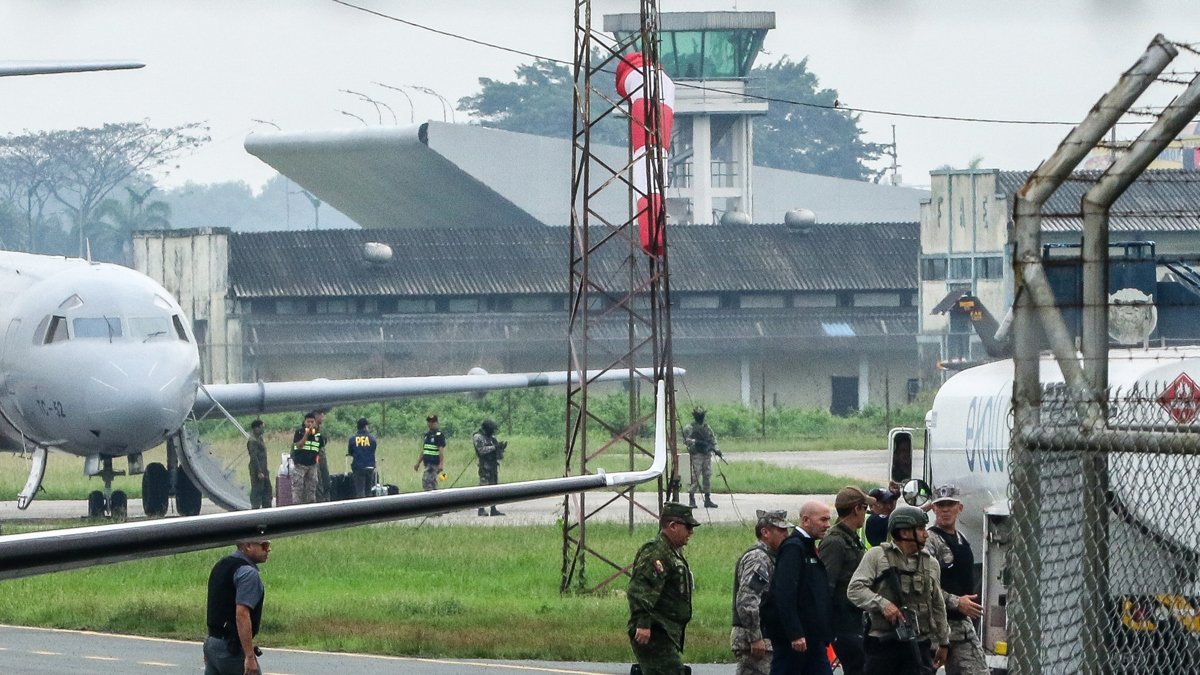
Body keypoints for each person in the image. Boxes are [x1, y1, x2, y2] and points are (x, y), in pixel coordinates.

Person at [847, 505, 949, 675]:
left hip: (918, 646)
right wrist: (882, 604)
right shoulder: (877, 556)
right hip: (883, 646)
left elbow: (937, 604)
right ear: (904, 532)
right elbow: (855, 590)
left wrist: (944, 642)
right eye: (920, 529)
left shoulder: (931, 563)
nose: (926, 534)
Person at [763, 500, 834, 675]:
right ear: (806, 520)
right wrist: (794, 633)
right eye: (823, 520)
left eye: (828, 520)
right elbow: (785, 593)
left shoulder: (808, 547)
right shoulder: (793, 548)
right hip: (795, 641)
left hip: (813, 638)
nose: (828, 525)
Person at [627, 501, 699, 675]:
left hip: (666, 631)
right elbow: (639, 589)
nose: (691, 532)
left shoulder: (671, 551)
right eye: (688, 527)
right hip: (654, 630)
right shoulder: (656, 551)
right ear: (673, 526)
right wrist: (643, 624)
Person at [925, 485, 988, 675]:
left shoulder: (962, 539)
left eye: (950, 505)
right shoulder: (930, 540)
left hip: (961, 625)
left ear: (959, 508)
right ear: (933, 509)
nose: (945, 510)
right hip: (934, 626)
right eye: (941, 505)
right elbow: (924, 586)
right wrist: (956, 602)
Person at [819, 487, 876, 675]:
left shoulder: (850, 538)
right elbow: (825, 585)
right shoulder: (835, 542)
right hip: (842, 623)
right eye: (865, 508)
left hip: (855, 619)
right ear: (856, 509)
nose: (866, 514)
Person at [732, 509, 793, 675]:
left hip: (765, 637)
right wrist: (755, 637)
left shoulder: (771, 556)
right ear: (765, 532)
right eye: (781, 530)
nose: (786, 534)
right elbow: (747, 600)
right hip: (756, 641)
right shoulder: (758, 558)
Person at [204, 539, 270, 675]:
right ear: (248, 546)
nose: (268, 549)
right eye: (264, 545)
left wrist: (209, 647)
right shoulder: (248, 573)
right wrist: (250, 657)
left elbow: (215, 607)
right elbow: (242, 615)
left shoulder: (221, 565)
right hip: (231, 648)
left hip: (213, 643)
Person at [682, 407, 722, 509]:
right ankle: (692, 499)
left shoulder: (706, 427)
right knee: (695, 477)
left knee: (707, 476)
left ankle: (707, 499)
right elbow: (686, 440)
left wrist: (716, 449)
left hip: (706, 454)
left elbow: (713, 439)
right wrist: (696, 442)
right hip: (697, 454)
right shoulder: (689, 427)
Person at [472, 418, 508, 516]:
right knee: (483, 488)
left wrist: (500, 448)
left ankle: (493, 508)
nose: (492, 432)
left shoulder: (491, 437)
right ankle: (481, 509)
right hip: (485, 465)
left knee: (494, 487)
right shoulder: (478, 437)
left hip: (493, 465)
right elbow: (481, 450)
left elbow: (496, 451)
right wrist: (494, 447)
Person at [290, 413, 322, 504]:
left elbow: (319, 450)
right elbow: (299, 445)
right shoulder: (299, 432)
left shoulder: (318, 435)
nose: (310, 424)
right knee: (298, 488)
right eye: (308, 422)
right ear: (304, 422)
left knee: (312, 488)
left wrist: (317, 461)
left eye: (312, 422)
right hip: (300, 464)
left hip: (312, 465)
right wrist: (307, 434)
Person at [413, 414, 445, 491]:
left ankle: (430, 499)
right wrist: (418, 463)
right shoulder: (427, 435)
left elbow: (441, 451)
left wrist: (441, 464)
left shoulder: (439, 435)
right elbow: (424, 450)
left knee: (427, 481)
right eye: (429, 422)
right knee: (432, 483)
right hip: (427, 463)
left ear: (436, 423)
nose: (430, 424)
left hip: (433, 463)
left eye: (433, 422)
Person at [347, 417, 378, 499]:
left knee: (360, 492)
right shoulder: (372, 438)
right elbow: (373, 449)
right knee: (369, 492)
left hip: (358, 468)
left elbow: (350, 452)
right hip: (370, 467)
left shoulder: (353, 439)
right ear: (365, 426)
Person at [246, 420, 271, 509]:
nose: (262, 429)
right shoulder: (253, 440)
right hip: (257, 470)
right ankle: (255, 510)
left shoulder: (259, 438)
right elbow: (254, 457)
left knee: (267, 491)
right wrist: (259, 471)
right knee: (257, 491)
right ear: (256, 428)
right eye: (261, 427)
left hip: (263, 468)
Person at [312, 409, 331, 501]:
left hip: (322, 457)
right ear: (315, 415)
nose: (323, 416)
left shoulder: (321, 429)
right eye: (320, 414)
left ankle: (326, 501)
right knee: (318, 484)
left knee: (326, 481)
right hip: (315, 458)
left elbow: (324, 441)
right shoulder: (311, 429)